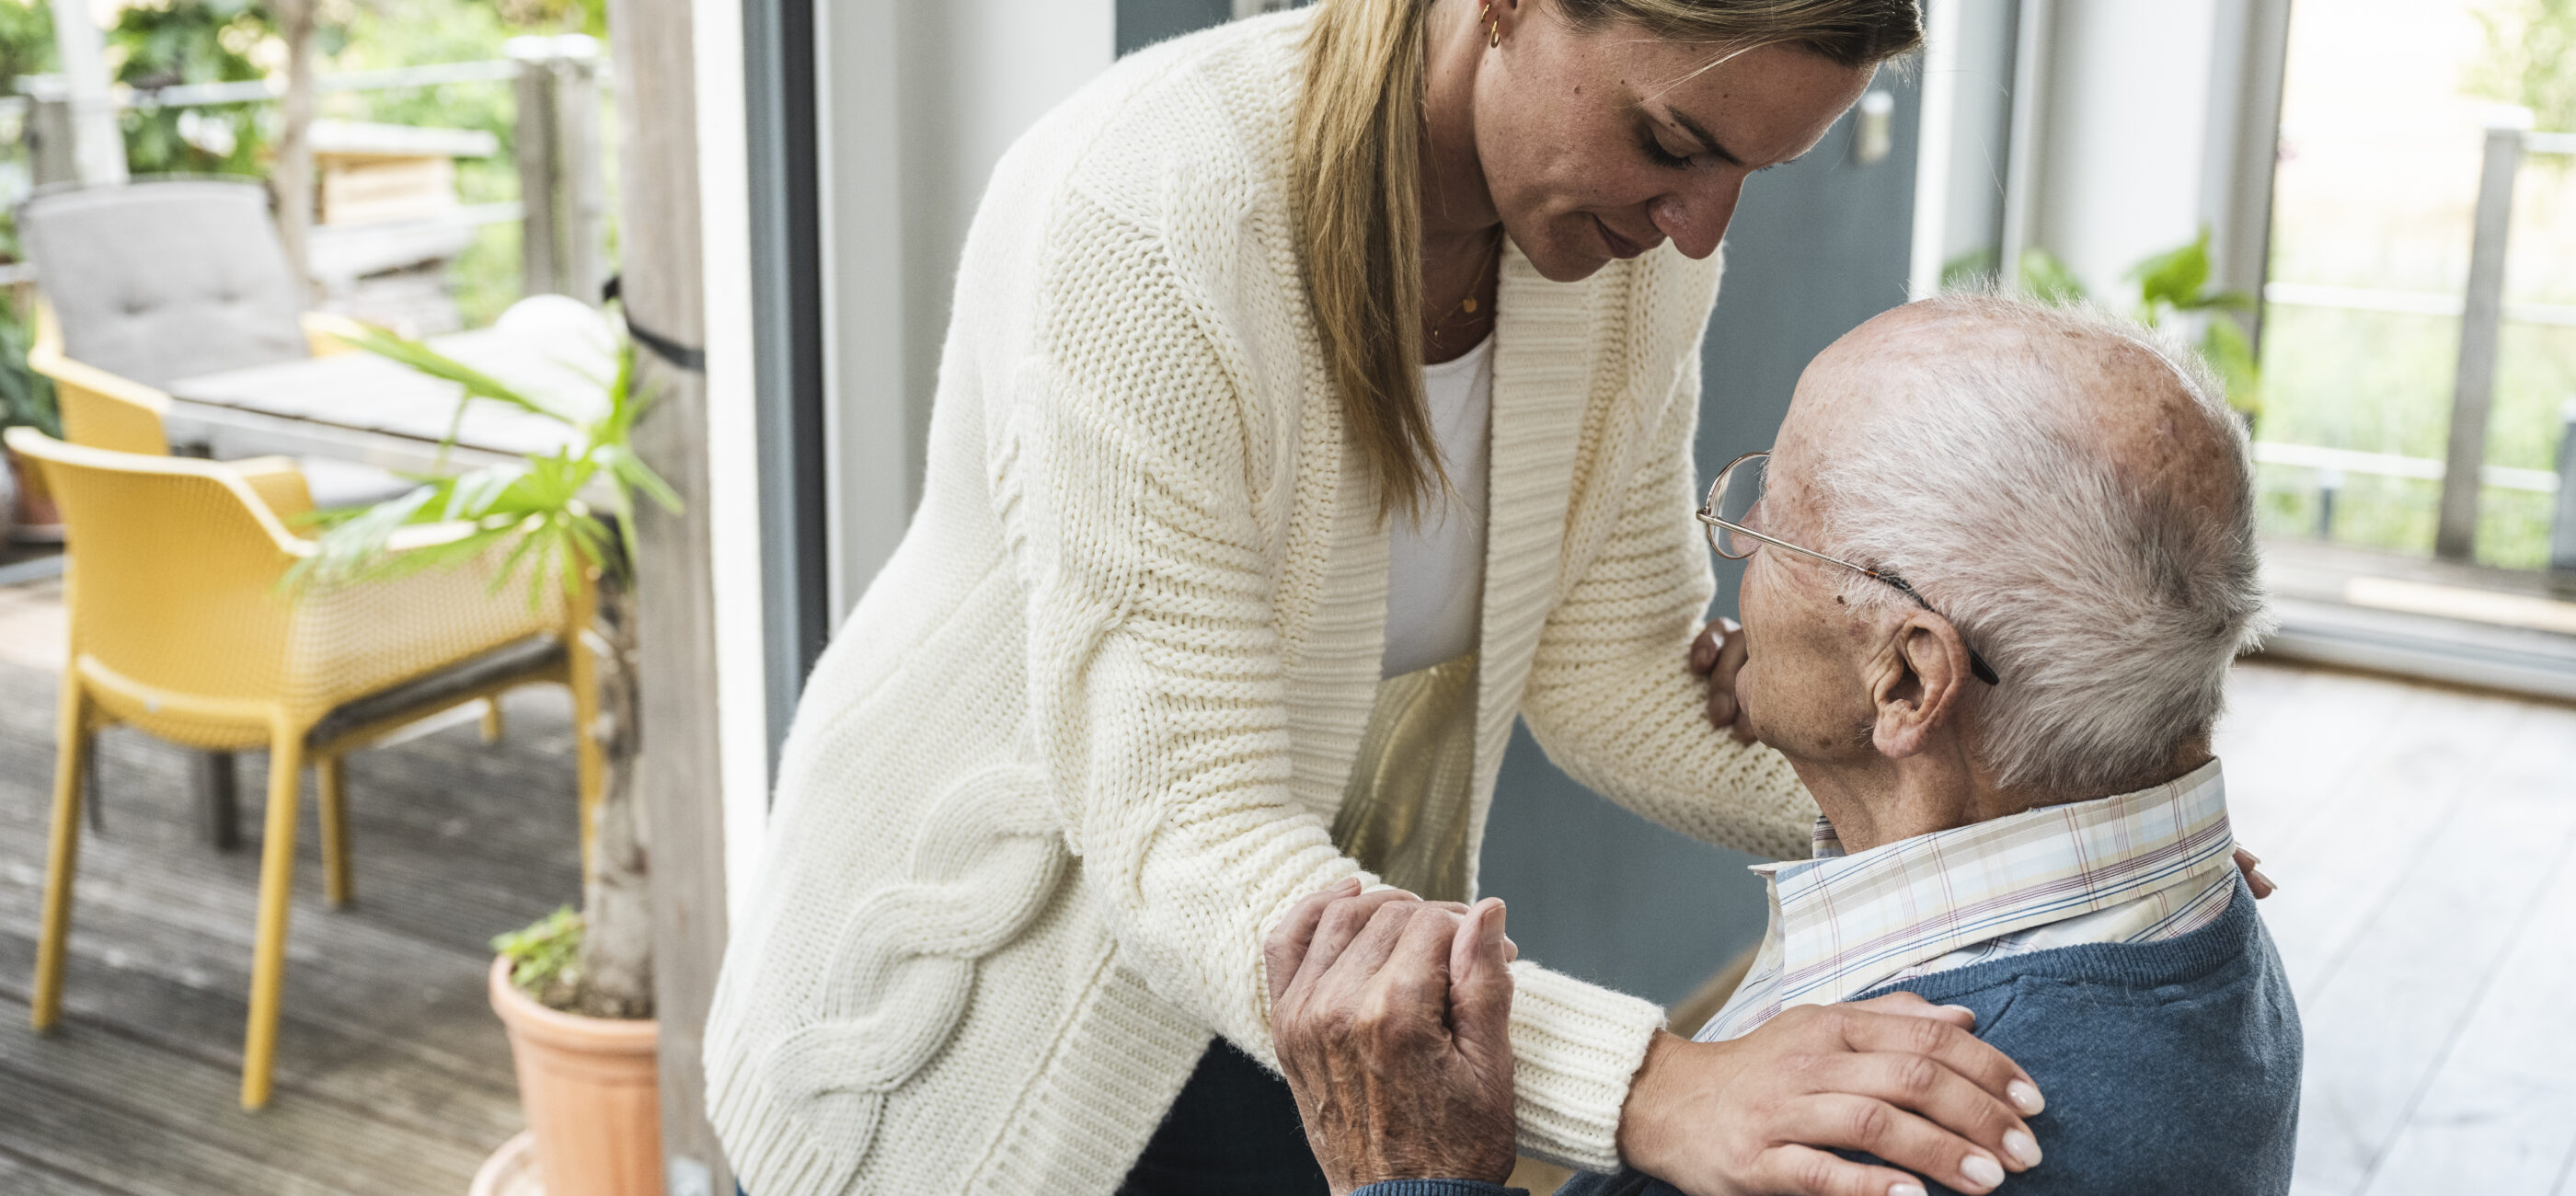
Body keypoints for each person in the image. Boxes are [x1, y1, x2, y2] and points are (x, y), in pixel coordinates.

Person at [701, 2, 2069, 1194]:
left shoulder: (1625, 264)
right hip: (996, 1003)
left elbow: (1614, 671)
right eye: (1673, 142)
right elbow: (1187, 827)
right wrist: (1660, 1090)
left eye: (1753, 172)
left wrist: (2004, 816)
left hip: (1313, 970)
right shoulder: (1148, 212)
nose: (1697, 228)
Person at [1264, 295, 2303, 1196]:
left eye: (1781, 516)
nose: (1741, 536)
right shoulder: (2193, 922)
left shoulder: (1905, 1133)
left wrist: (1411, 1169)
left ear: (1903, 679)